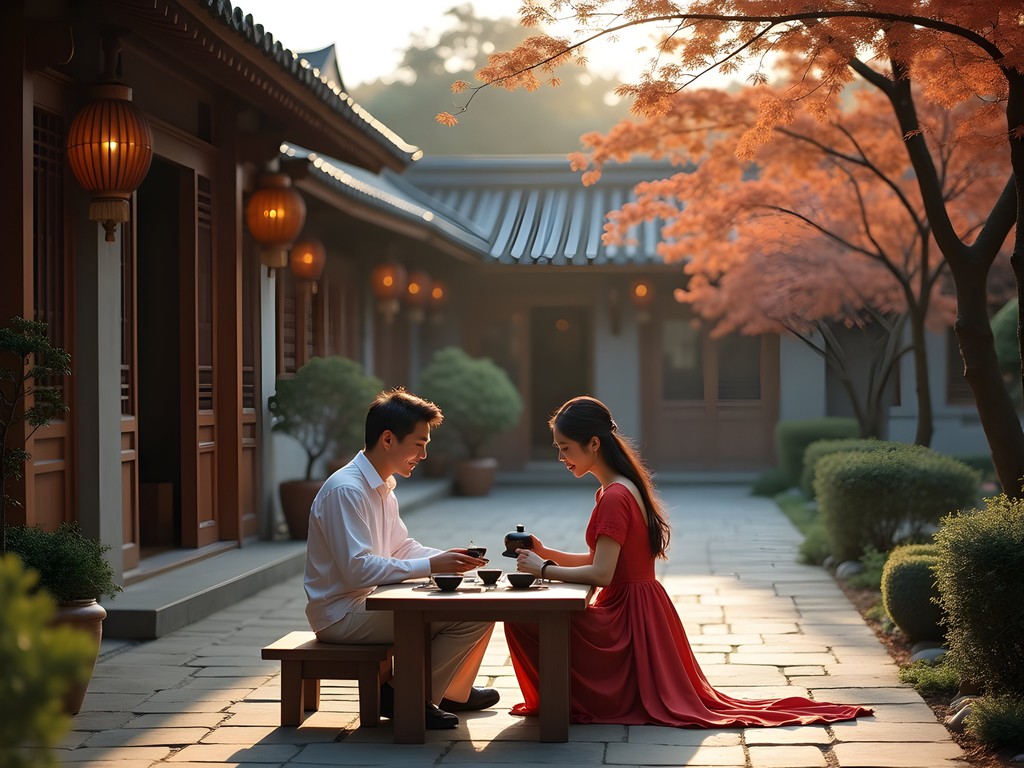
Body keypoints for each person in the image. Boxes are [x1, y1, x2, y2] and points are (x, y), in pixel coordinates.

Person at [507, 395, 873, 727]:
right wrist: (547, 553)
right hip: (638, 609)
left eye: (565, 448)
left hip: (625, 617)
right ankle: (569, 701)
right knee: (531, 617)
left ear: (594, 443)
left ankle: (569, 704)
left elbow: (602, 573)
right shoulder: (616, 487)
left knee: (523, 618)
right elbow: (602, 559)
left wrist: (543, 571)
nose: (561, 458)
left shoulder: (615, 495)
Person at [304, 387, 499, 730]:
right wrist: (432, 567)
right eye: (419, 443)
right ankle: (406, 696)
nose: (424, 454)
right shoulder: (347, 490)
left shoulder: (382, 486)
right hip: (341, 614)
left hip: (368, 604)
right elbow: (357, 571)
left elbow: (402, 548)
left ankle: (449, 691)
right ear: (388, 439)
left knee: (476, 602)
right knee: (468, 615)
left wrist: (449, 559)